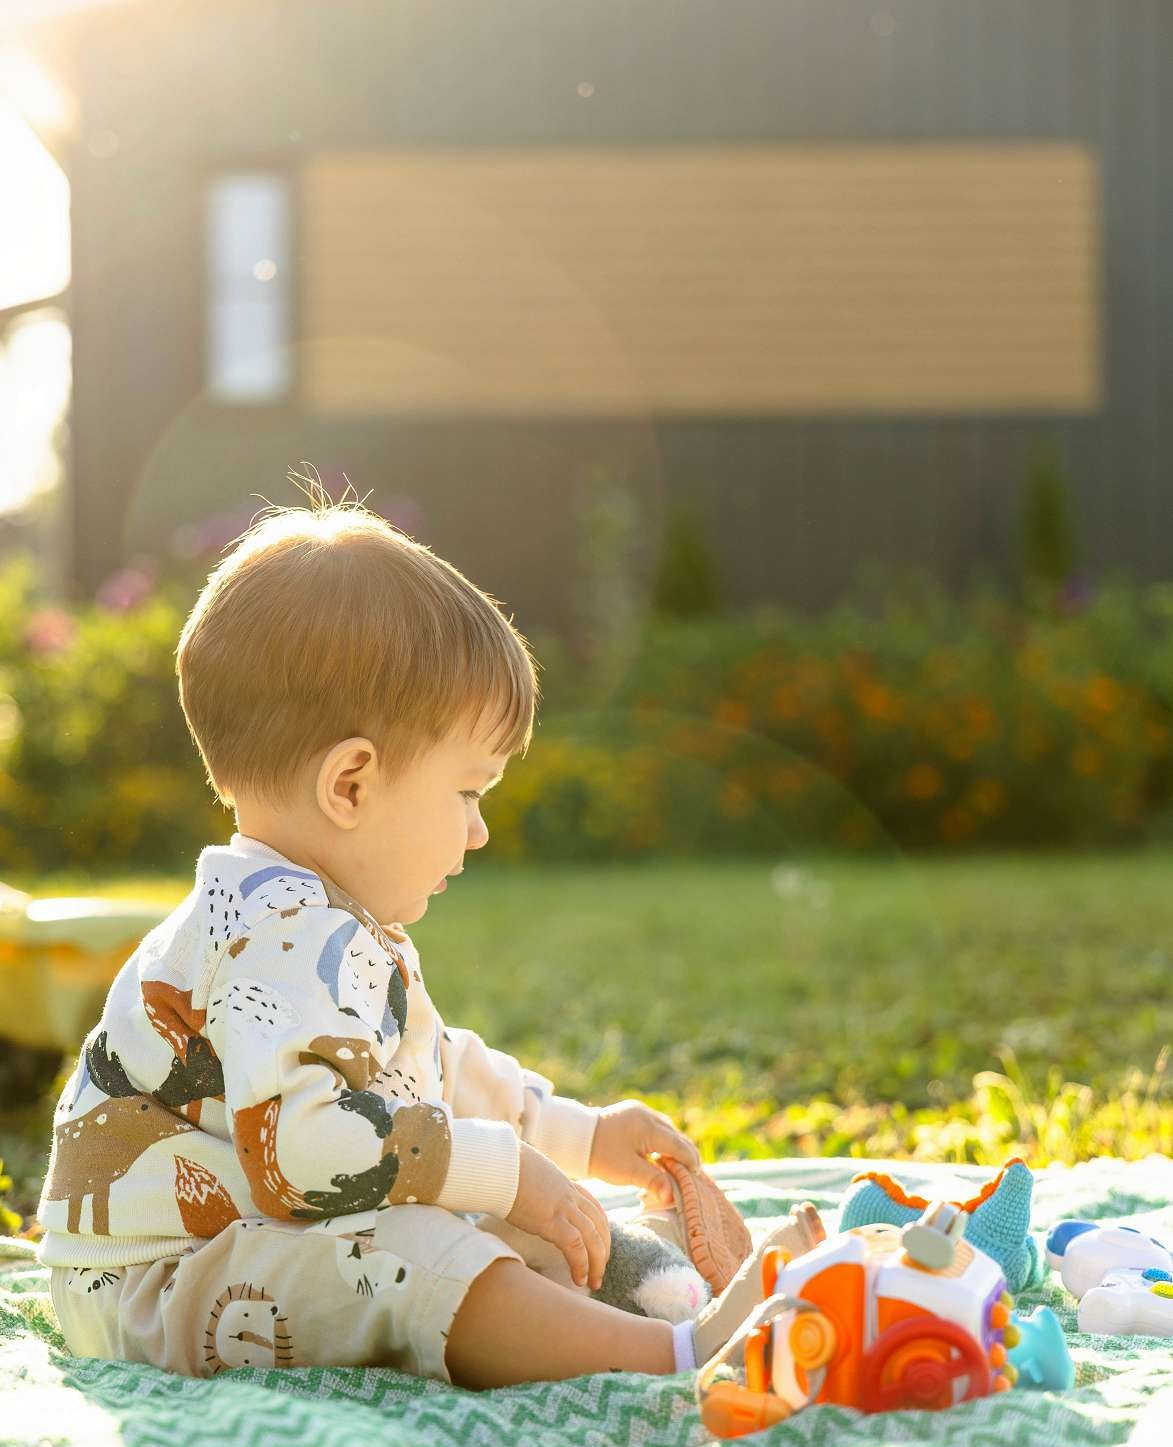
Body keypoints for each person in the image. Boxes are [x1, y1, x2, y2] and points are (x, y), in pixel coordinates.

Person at [40, 481, 821, 1390]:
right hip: (159, 1286)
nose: (479, 830)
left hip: (252, 1239)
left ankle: (659, 1292)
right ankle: (682, 1351)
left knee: (506, 1217)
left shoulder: (321, 920)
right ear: (352, 786)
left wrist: (575, 1132)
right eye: (467, 793)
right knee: (418, 1249)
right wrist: (507, 1170)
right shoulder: (274, 936)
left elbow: (427, 1069)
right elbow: (306, 1154)